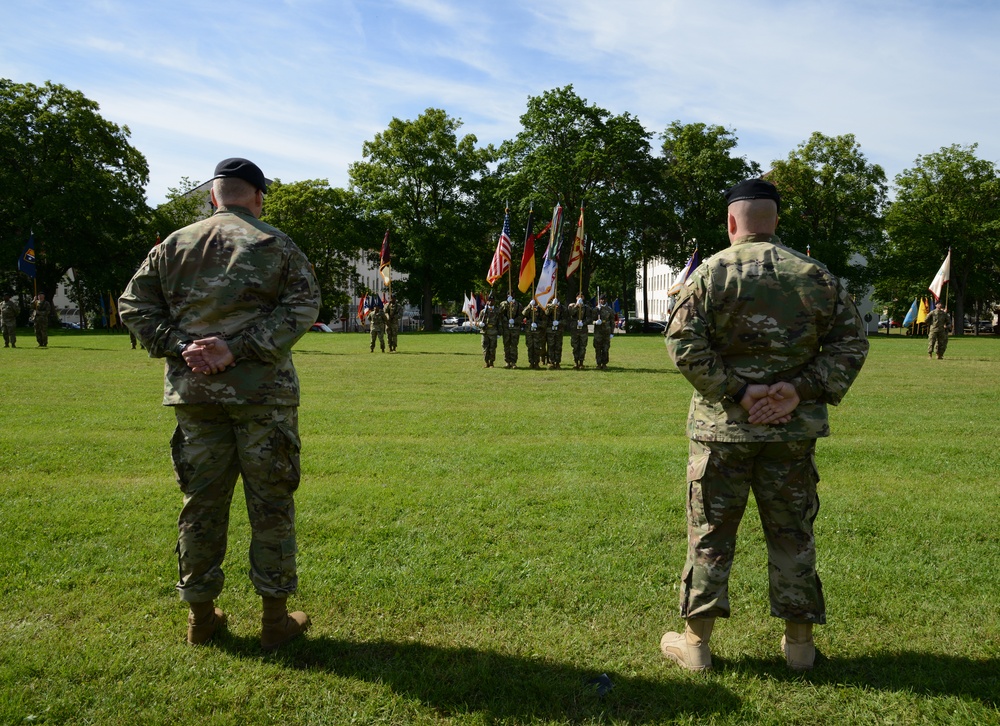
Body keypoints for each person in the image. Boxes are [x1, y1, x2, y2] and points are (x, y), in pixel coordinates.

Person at [661, 178, 868, 672]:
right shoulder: (815, 275)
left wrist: (738, 392)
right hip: (791, 433)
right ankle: (799, 648)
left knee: (710, 535)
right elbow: (851, 345)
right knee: (792, 533)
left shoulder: (708, 274)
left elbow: (683, 346)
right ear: (775, 221)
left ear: (732, 222)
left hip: (721, 434)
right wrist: (798, 391)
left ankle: (696, 647)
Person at [119, 158, 321, 649]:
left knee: (201, 505)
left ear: (214, 196)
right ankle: (274, 622)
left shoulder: (173, 245)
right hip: (262, 396)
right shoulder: (274, 243)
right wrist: (239, 348)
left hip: (194, 396)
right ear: (257, 196)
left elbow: (132, 305)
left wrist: (180, 345)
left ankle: (201, 618)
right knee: (270, 503)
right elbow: (304, 305)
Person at [567, 293, 592, 369]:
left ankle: (581, 362)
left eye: (582, 296)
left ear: (583, 298)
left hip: (583, 330)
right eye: (578, 296)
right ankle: (576, 362)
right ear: (576, 297)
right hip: (575, 329)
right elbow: (571, 313)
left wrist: (583, 323)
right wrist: (576, 306)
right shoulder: (572, 306)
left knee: (582, 346)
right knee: (575, 346)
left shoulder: (586, 308)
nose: (580, 298)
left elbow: (589, 318)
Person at [477, 295, 502, 368]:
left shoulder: (497, 311)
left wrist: (499, 332)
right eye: (489, 300)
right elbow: (478, 320)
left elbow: (499, 323)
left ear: (494, 301)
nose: (490, 302)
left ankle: (491, 363)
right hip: (485, 332)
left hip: (493, 332)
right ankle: (486, 362)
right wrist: (479, 324)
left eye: (492, 300)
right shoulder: (483, 311)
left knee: (492, 348)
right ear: (487, 301)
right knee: (485, 348)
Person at [498, 293, 522, 368]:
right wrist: (506, 304)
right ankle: (507, 362)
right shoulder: (503, 304)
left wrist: (515, 320)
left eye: (511, 294)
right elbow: (499, 313)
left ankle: (513, 362)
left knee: (514, 345)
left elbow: (522, 315)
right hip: (506, 328)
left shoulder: (518, 305)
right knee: (506, 345)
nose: (510, 295)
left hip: (515, 328)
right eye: (508, 294)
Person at [522, 299, 547, 369]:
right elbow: (523, 313)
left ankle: (536, 363)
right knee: (530, 347)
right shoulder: (529, 308)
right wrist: (529, 305)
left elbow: (544, 321)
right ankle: (531, 363)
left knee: (537, 347)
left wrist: (538, 324)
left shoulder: (540, 309)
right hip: (529, 331)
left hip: (537, 332)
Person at [592, 294, 615, 370]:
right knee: (598, 348)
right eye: (601, 299)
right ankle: (598, 364)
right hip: (598, 332)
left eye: (604, 299)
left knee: (605, 349)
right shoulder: (596, 309)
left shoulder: (610, 310)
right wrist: (595, 322)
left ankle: (604, 363)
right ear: (599, 300)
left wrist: (612, 332)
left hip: (606, 332)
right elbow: (591, 320)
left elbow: (612, 322)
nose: (603, 300)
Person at [544, 296, 566, 369]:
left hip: (559, 330)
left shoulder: (562, 308)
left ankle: (557, 362)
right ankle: (551, 362)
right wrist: (552, 306)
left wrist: (559, 322)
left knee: (558, 346)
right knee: (550, 346)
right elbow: (546, 313)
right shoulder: (548, 306)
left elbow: (566, 320)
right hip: (550, 330)